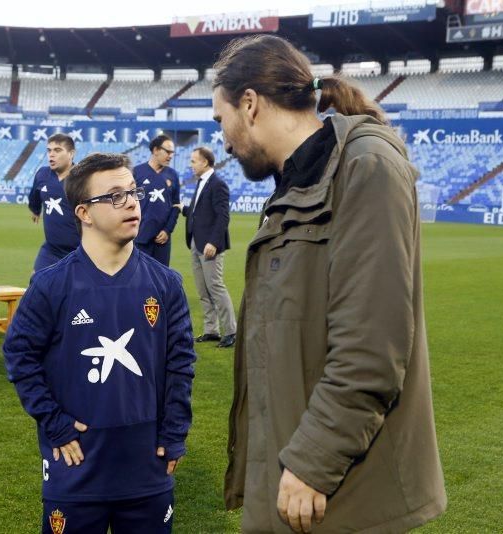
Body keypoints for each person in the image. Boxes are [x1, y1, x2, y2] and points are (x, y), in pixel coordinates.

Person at [213, 35, 446, 533]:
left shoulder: (364, 165)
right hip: (294, 486)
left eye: (221, 120)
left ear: (249, 104)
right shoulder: (297, 181)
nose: (224, 140)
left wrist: (312, 462)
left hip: (336, 497)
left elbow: (371, 347)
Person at [3, 153, 196, 533]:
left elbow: (181, 363)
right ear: (84, 213)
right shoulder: (50, 284)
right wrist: (54, 423)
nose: (130, 202)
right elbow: (19, 355)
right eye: (113, 196)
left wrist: (174, 432)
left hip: (147, 470)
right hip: (75, 470)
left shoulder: (166, 284)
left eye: (133, 192)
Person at [176, 146, 236, 349]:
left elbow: (223, 216)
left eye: (193, 161)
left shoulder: (218, 184)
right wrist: (184, 209)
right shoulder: (202, 182)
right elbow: (200, 211)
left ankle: (231, 331)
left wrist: (214, 242)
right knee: (203, 290)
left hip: (209, 244)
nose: (191, 165)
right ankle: (212, 330)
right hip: (196, 241)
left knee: (216, 287)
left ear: (205, 162)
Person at [28, 133, 80, 272]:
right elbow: (34, 196)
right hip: (51, 250)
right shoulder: (42, 174)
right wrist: (35, 210)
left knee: (77, 292)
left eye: (57, 150)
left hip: (80, 252)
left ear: (71, 153)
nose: (51, 155)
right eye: (49, 150)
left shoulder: (83, 178)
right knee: (36, 286)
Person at [133, 135, 180, 266]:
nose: (170, 156)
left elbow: (176, 206)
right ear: (155, 150)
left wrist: (167, 230)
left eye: (172, 153)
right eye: (168, 152)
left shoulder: (172, 175)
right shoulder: (137, 172)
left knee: (161, 280)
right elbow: (129, 203)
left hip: (162, 240)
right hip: (140, 237)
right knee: (139, 278)